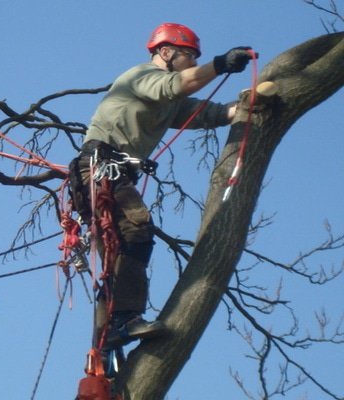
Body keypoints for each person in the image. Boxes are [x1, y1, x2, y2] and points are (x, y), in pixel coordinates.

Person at [68, 23, 254, 350]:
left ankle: (107, 338)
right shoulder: (140, 78)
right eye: (189, 57)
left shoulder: (168, 100)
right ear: (166, 53)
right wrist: (220, 63)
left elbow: (210, 113)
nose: (193, 65)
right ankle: (124, 320)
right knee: (135, 231)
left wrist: (250, 106)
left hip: (110, 174)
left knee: (122, 246)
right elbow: (177, 86)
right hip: (99, 168)